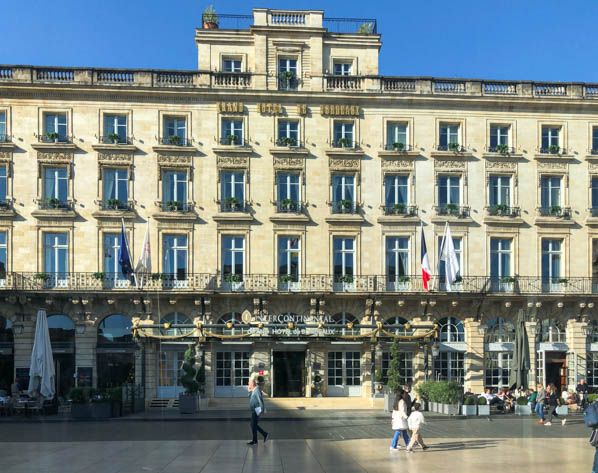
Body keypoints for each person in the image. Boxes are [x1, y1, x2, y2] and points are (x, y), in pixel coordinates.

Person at [247, 376, 268, 445]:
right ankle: (264, 434)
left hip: (257, 409)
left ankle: (255, 440)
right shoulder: (254, 390)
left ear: (253, 384)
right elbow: (249, 396)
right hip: (254, 410)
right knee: (253, 425)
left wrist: (262, 409)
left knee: (253, 425)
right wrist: (249, 391)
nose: (249, 385)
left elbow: (260, 400)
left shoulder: (257, 390)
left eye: (249, 384)